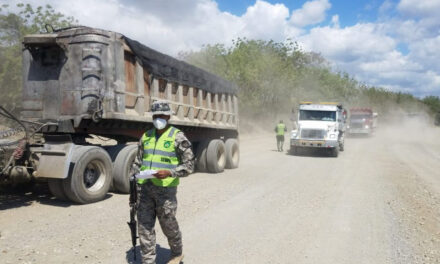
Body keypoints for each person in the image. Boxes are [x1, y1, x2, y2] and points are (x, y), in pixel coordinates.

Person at [131, 100, 194, 264]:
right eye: (156, 115)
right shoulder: (146, 136)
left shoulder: (177, 137)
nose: (159, 118)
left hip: (165, 192)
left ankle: (176, 252)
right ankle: (148, 261)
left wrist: (170, 172)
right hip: (144, 190)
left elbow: (189, 165)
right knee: (144, 227)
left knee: (169, 225)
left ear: (168, 116)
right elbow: (138, 162)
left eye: (162, 115)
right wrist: (133, 180)